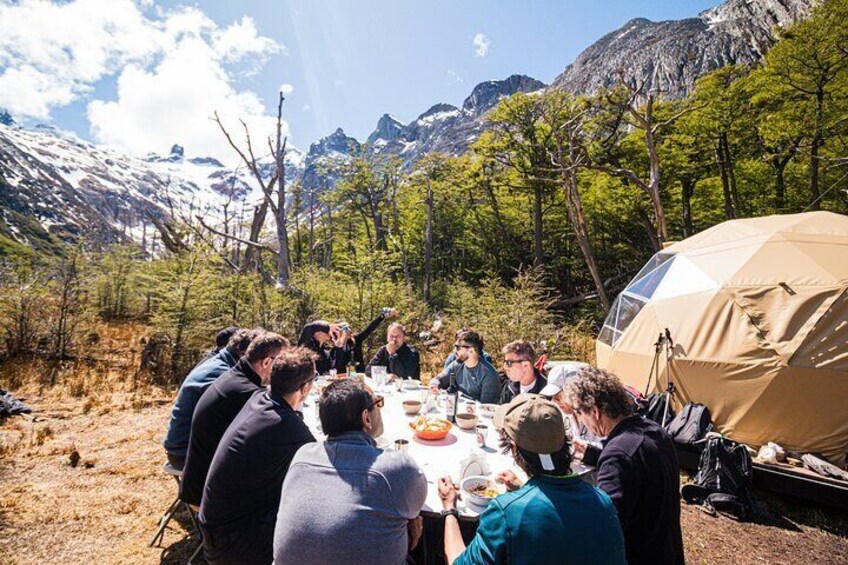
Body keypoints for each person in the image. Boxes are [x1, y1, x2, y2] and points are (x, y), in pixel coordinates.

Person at [437, 394, 626, 565]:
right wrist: (524, 488)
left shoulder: (507, 512)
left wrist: (449, 509)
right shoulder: (602, 501)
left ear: (513, 448)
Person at [274, 378, 428, 564]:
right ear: (366, 418)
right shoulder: (396, 468)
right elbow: (415, 508)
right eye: (377, 404)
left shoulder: (302, 456)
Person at [198, 347, 318, 565]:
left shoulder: (260, 398)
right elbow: (324, 463)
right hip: (233, 544)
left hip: (215, 528)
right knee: (317, 512)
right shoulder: (287, 426)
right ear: (304, 388)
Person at [562, 367, 684, 565]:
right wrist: (593, 454)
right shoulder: (654, 431)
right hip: (667, 552)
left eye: (579, 412)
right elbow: (639, 469)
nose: (580, 419)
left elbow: (606, 527)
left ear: (594, 411)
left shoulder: (618, 455)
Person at [180, 332, 289, 507]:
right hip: (209, 495)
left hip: (198, 479)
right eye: (282, 363)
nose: (285, 369)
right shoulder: (247, 393)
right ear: (267, 362)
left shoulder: (235, 376)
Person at [162, 328, 257, 470]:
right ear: (244, 355)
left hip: (183, 445)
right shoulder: (223, 374)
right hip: (185, 453)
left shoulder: (219, 362)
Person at [297, 307, 398, 374]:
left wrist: (382, 315)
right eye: (344, 329)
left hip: (359, 377)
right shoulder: (331, 349)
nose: (348, 331)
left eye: (348, 328)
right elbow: (336, 370)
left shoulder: (355, 341)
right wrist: (336, 340)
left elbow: (370, 329)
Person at [429, 330, 499, 404]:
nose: (455, 351)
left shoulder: (489, 374)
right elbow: (439, 378)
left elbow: (485, 407)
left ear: (471, 350)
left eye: (458, 347)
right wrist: (434, 385)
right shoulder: (457, 364)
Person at [498, 340, 547, 405]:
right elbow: (501, 409)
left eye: (509, 363)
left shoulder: (546, 391)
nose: (505, 367)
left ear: (526, 365)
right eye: (505, 362)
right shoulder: (510, 385)